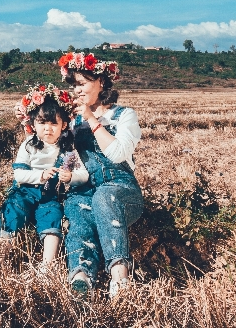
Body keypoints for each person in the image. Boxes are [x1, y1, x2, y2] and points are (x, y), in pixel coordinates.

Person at [59, 52, 143, 298]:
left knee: (104, 197)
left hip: (122, 188)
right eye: (74, 85)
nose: (77, 90)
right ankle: (81, 278)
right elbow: (72, 161)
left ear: (102, 83)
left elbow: (117, 153)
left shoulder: (124, 116)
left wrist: (91, 119)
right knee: (77, 207)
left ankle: (120, 278)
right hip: (88, 187)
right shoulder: (74, 122)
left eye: (82, 83)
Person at [0, 84, 89, 268]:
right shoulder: (29, 145)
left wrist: (70, 177)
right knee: (14, 209)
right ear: (33, 124)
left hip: (51, 195)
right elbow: (19, 174)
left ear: (64, 125)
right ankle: (0, 253)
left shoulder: (68, 150)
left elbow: (84, 174)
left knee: (52, 215)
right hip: (26, 192)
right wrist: (41, 175)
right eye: (42, 123)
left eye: (54, 123)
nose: (48, 128)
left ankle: (48, 265)